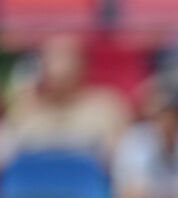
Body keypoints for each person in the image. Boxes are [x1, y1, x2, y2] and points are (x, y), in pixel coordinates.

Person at [0, 34, 130, 163]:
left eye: (63, 57)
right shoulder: (24, 110)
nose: (55, 67)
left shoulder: (107, 107)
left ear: (83, 64)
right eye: (49, 58)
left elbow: (125, 162)